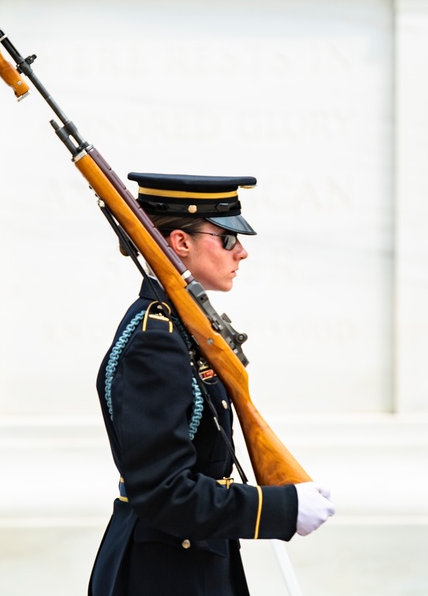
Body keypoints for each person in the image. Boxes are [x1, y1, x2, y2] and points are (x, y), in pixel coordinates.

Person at [88, 172, 335, 596]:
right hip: (162, 574)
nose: (242, 252)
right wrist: (280, 509)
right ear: (181, 242)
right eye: (227, 239)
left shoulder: (184, 328)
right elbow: (165, 492)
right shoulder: (154, 340)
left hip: (194, 562)